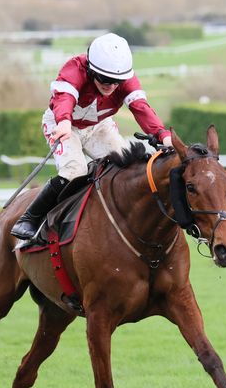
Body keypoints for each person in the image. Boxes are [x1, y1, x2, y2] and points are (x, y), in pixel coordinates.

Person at [11, 33, 172, 240]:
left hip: (99, 126)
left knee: (127, 168)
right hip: (62, 125)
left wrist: (163, 135)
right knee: (75, 171)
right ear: (91, 69)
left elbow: (141, 108)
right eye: (105, 79)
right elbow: (64, 98)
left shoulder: (125, 80)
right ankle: (30, 218)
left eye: (117, 81)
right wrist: (64, 121)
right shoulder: (75, 69)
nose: (111, 86)